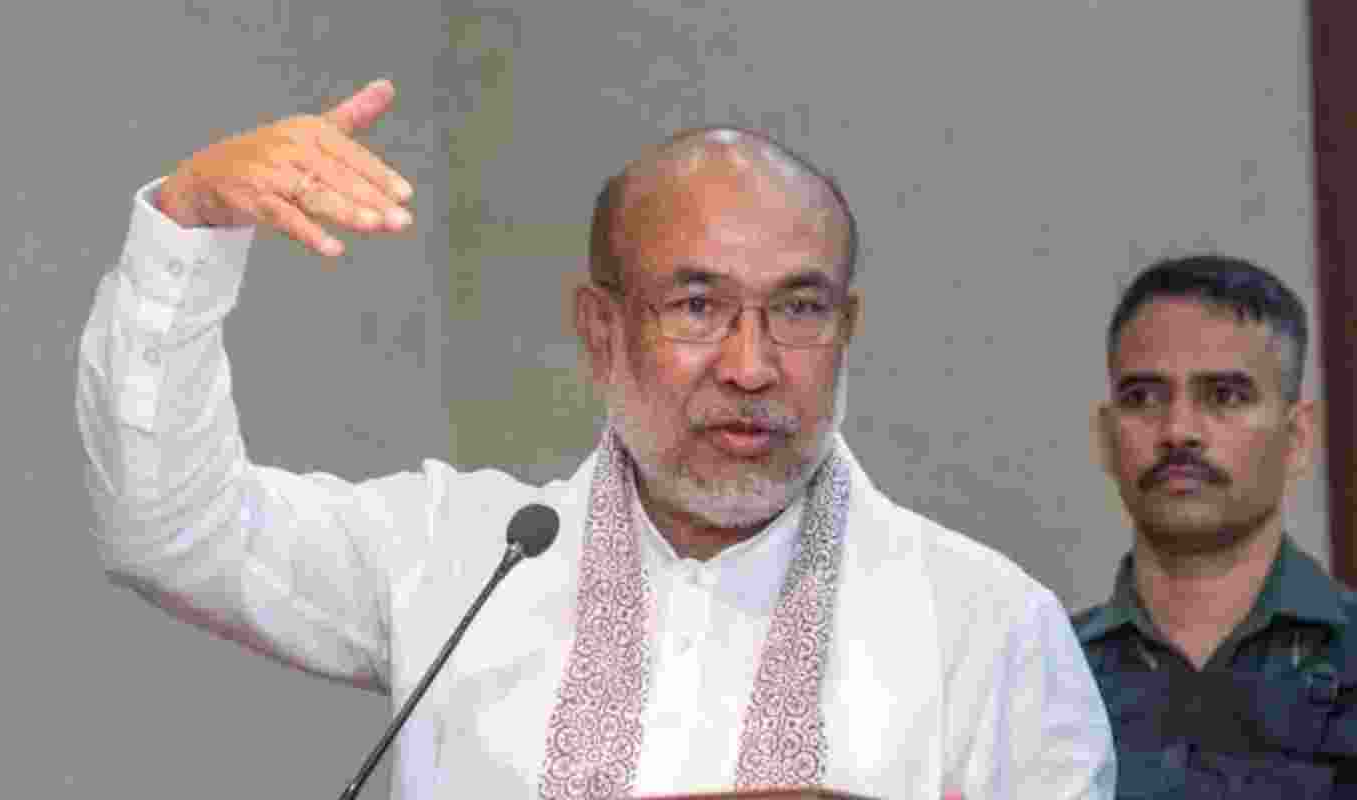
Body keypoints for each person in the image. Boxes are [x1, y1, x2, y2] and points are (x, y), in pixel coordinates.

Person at [77, 77, 1114, 799]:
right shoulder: (458, 558)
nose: (752, 364)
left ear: (847, 330)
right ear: (600, 331)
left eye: (798, 309)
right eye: (697, 306)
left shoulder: (988, 628)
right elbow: (171, 532)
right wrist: (189, 224)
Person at [1074, 254, 1357, 796]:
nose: (1178, 430)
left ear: (1297, 438)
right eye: (1143, 397)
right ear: (1107, 438)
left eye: (1225, 395)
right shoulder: (1041, 677)